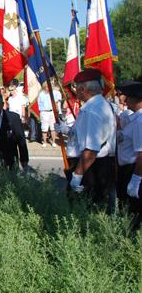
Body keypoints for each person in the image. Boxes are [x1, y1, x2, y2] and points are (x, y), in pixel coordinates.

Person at [54, 69, 116, 213]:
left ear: (83, 89)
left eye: (77, 87)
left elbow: (91, 149)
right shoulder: (99, 104)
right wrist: (67, 130)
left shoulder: (92, 110)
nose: (76, 91)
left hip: (90, 168)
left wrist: (77, 175)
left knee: (85, 209)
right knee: (96, 207)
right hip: (94, 165)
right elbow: (85, 134)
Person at [116, 81, 142, 229]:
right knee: (127, 209)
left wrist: (136, 179)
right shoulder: (134, 119)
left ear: (135, 99)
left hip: (133, 170)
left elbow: (141, 154)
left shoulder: (140, 121)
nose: (125, 100)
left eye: (128, 97)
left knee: (134, 212)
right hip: (127, 169)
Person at [37, 83, 62, 147]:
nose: (48, 88)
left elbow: (56, 103)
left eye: (49, 87)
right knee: (44, 128)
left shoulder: (54, 93)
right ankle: (44, 142)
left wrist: (57, 112)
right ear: (44, 87)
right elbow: (39, 104)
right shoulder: (41, 94)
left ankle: (53, 142)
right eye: (47, 87)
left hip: (52, 112)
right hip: (44, 112)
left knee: (53, 128)